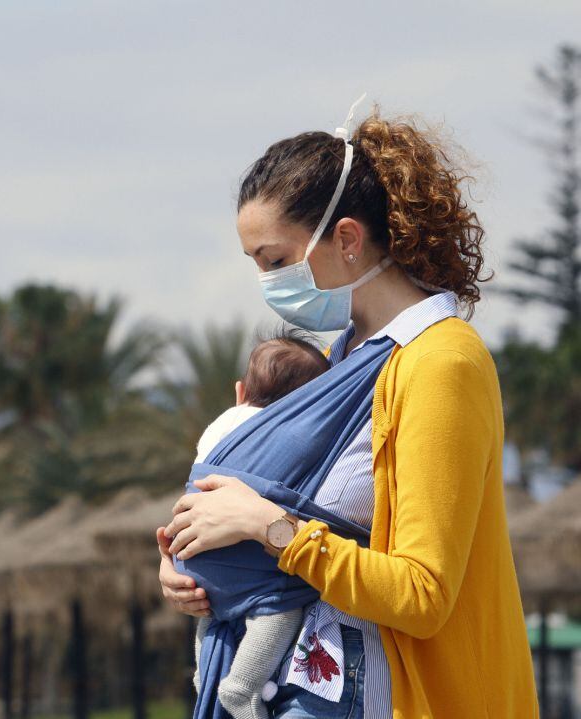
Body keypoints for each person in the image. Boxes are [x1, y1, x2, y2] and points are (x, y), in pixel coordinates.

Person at [156, 94, 539, 718]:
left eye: (276, 261)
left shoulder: (440, 363)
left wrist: (267, 527)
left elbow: (422, 594)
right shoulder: (339, 362)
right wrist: (196, 566)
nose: (266, 283)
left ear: (348, 239)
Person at [189, 331, 331, 719]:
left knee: (211, 616)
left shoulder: (220, 425)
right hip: (253, 575)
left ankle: (204, 676)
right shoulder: (293, 435)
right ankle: (242, 687)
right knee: (279, 612)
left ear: (240, 391)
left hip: (198, 564)